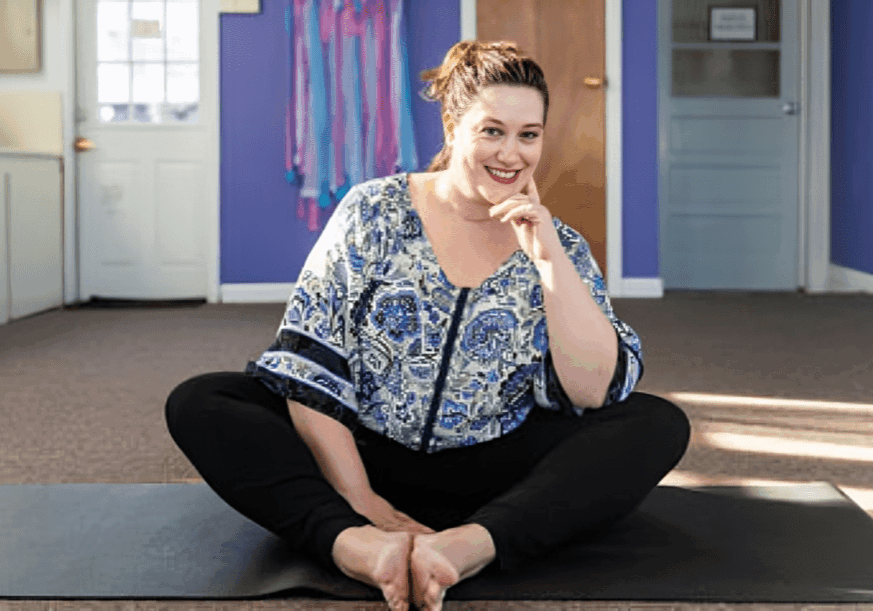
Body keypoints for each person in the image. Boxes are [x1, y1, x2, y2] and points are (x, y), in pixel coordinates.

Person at [165, 40, 691, 611]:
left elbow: (592, 390)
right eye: (492, 131)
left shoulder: (557, 242)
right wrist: (361, 498)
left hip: (494, 466)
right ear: (452, 124)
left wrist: (547, 262)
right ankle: (355, 547)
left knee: (655, 423)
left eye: (528, 135)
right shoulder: (374, 211)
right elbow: (311, 365)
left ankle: (470, 546)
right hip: (364, 451)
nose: (511, 154)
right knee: (203, 401)